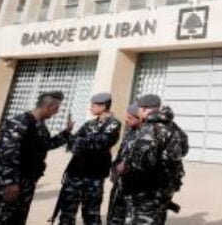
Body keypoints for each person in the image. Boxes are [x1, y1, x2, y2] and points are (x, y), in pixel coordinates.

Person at [0, 90, 73, 224]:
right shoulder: (20, 122)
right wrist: (11, 182)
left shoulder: (40, 126)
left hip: (27, 181)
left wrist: (66, 133)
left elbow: (46, 145)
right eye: (56, 109)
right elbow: (7, 153)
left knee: (17, 219)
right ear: (48, 106)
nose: (56, 112)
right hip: (10, 183)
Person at [115, 94, 188, 224]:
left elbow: (142, 161)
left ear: (144, 109)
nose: (138, 111)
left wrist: (124, 165)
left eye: (139, 108)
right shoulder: (175, 128)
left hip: (146, 191)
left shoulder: (150, 128)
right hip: (164, 190)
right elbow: (184, 151)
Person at [56, 92, 121, 225]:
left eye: (93, 105)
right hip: (75, 173)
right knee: (67, 212)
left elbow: (101, 143)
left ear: (103, 107)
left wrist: (78, 142)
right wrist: (69, 133)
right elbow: (72, 145)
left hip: (94, 176)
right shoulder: (89, 124)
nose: (90, 108)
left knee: (91, 214)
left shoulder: (113, 124)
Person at [107, 103, 143, 225]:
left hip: (133, 187)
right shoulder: (130, 131)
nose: (126, 120)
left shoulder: (147, 135)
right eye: (126, 116)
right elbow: (122, 153)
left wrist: (127, 165)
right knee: (114, 217)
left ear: (140, 118)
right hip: (120, 184)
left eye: (130, 117)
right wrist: (114, 169)